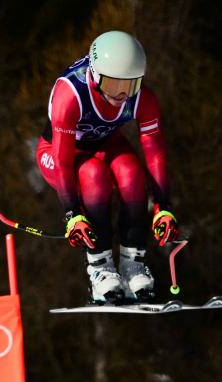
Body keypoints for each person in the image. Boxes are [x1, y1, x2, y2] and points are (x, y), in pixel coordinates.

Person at [36, 30, 179, 304]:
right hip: (59, 153)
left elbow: (155, 151)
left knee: (130, 170)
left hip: (104, 143)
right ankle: (100, 268)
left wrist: (164, 207)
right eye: (113, 85)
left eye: (131, 85)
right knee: (93, 175)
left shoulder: (142, 97)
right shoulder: (71, 93)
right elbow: (64, 158)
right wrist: (72, 213)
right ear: (95, 75)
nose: (122, 94)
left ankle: (132, 264)